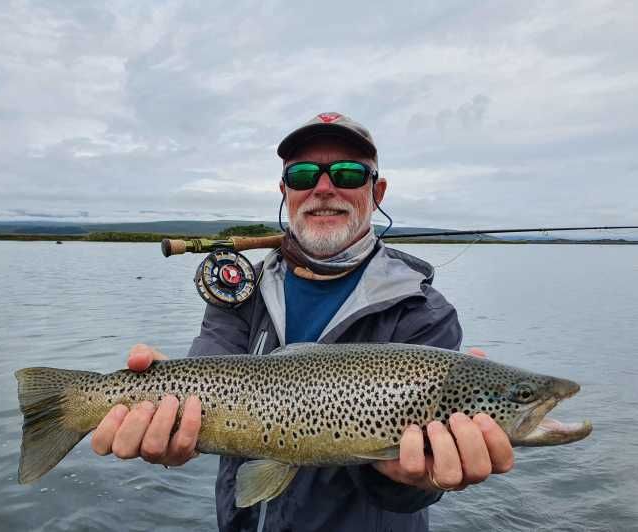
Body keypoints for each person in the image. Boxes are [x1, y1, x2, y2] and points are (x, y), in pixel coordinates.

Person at [91, 112, 515, 531]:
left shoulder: (423, 311)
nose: (324, 188)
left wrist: (418, 481)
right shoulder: (240, 290)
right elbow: (202, 390)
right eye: (304, 175)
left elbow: (410, 492)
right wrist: (165, 430)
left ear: (377, 191)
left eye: (348, 175)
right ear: (284, 190)